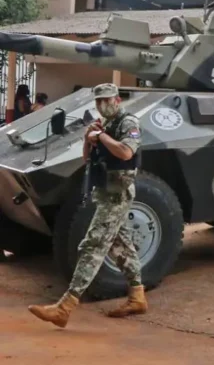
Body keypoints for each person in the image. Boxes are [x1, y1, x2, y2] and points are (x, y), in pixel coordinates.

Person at [28, 83, 146, 328]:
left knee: (91, 245)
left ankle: (65, 307)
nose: (103, 106)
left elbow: (125, 153)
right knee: (120, 244)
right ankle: (137, 297)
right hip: (105, 192)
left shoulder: (128, 123)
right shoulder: (105, 125)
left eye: (107, 100)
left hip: (117, 194)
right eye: (99, 102)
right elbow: (86, 158)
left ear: (117, 100)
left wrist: (101, 136)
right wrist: (87, 139)